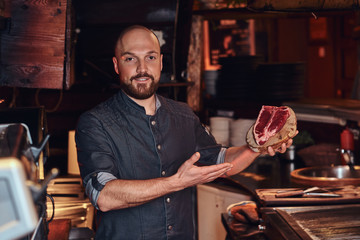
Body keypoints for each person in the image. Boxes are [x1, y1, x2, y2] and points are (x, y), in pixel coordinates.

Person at [75, 25, 294, 240]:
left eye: (150, 57)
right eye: (130, 58)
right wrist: (177, 182)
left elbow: (222, 162)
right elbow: (103, 195)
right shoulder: (95, 123)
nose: (142, 68)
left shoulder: (183, 116)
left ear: (161, 62)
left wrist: (258, 146)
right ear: (116, 65)